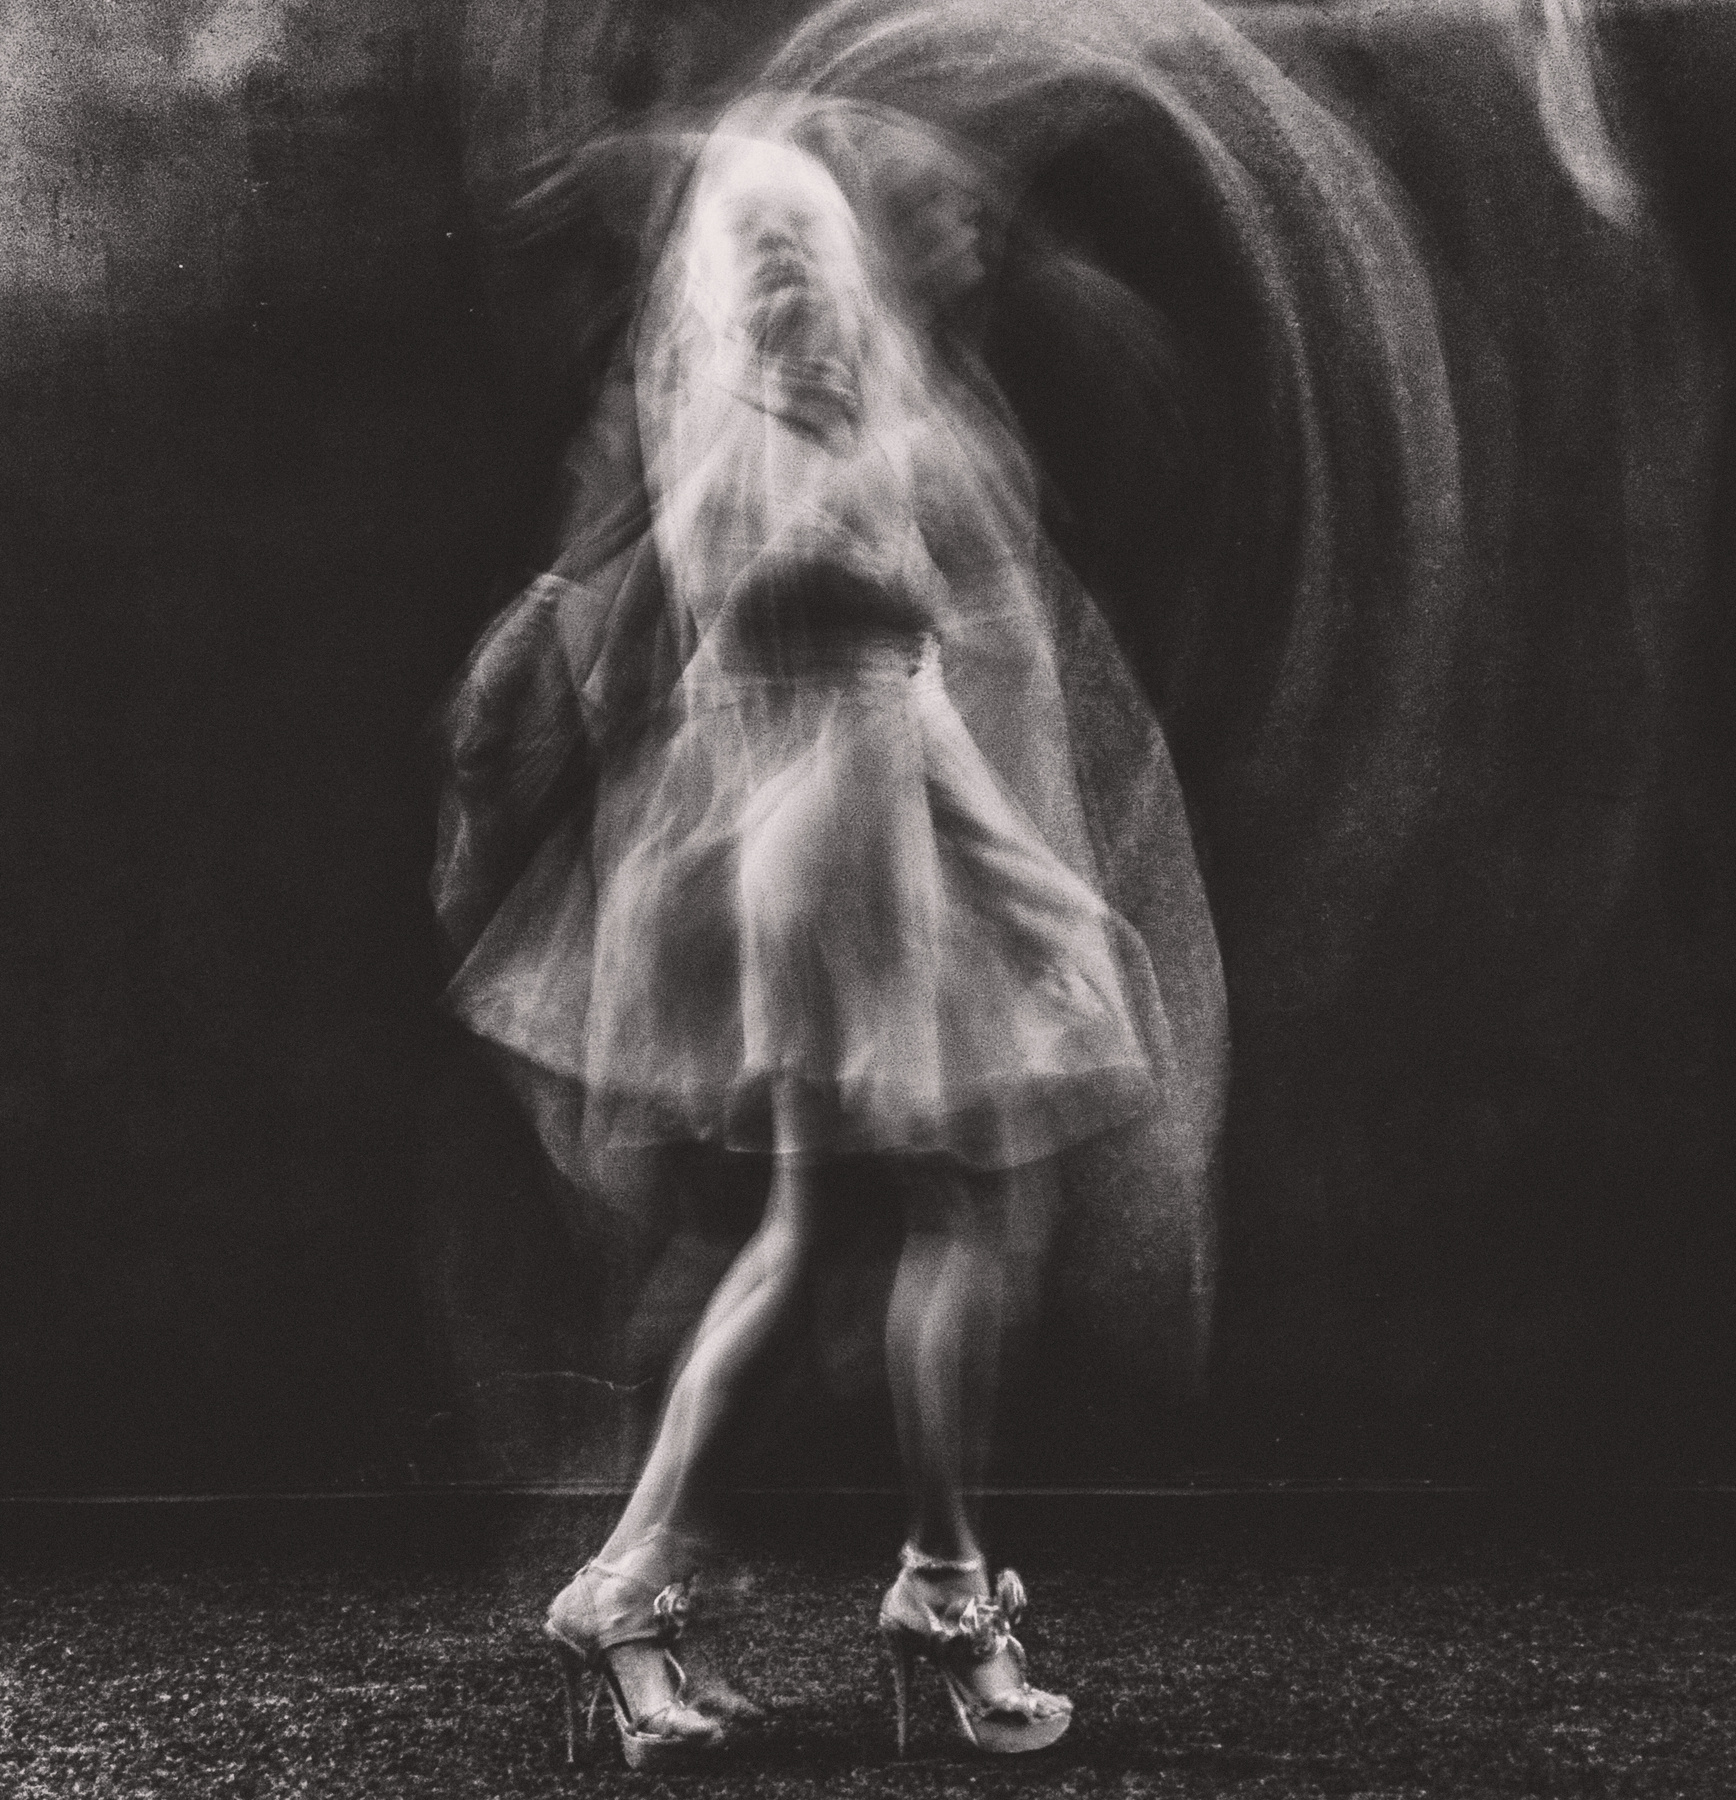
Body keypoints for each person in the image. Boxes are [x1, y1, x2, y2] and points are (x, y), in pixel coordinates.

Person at [436, 100, 1207, 1765]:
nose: (796, 274)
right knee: (947, 1211)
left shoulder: (803, 422)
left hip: (850, 836)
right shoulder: (763, 433)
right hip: (831, 849)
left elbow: (892, 686)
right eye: (764, 250)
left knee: (830, 1234)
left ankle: (654, 1587)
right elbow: (838, 660)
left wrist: (1027, 881)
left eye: (809, 244)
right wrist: (1025, 878)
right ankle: (927, 1587)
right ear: (734, 282)